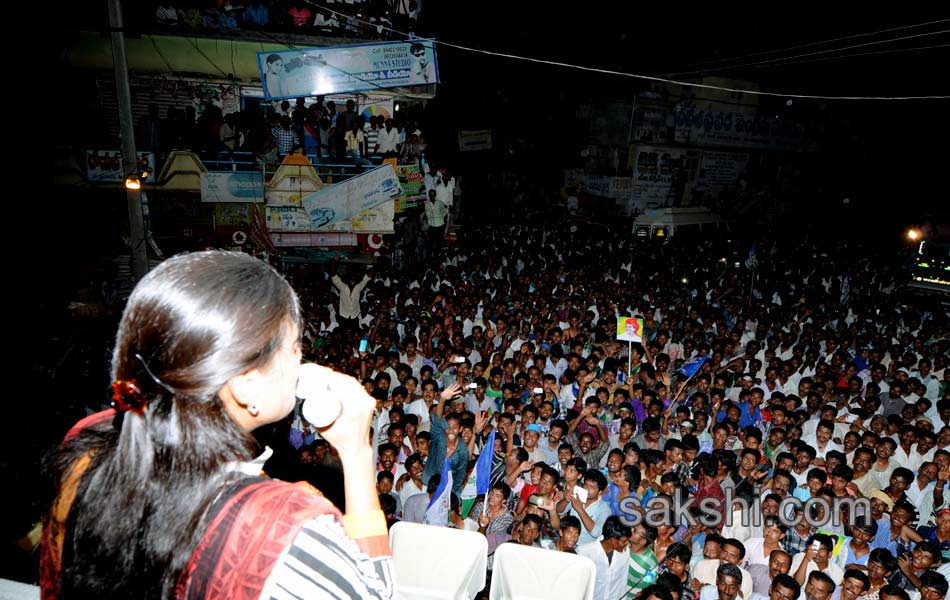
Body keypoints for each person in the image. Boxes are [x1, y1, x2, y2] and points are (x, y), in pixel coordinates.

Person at [40, 251, 394, 598]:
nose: (301, 359)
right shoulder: (283, 528)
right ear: (246, 385)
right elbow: (372, 593)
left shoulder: (87, 441)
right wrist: (357, 453)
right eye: (294, 347)